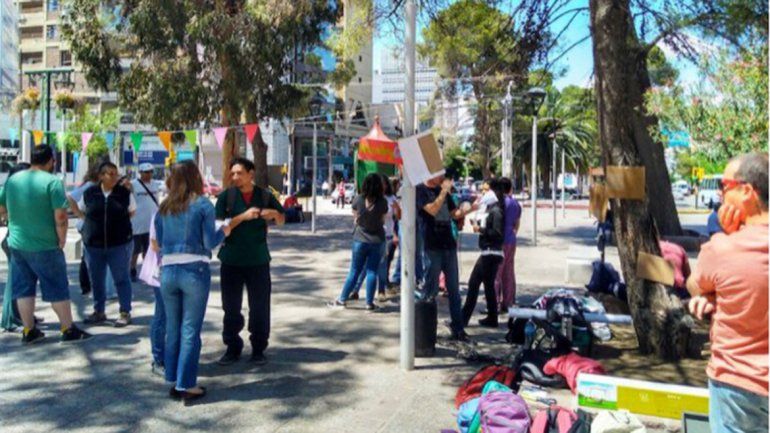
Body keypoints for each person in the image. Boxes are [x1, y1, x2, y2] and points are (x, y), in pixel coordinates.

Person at [686, 152, 768, 433]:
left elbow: (694, 284)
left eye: (725, 186)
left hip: (736, 383)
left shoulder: (722, 248)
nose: (720, 195)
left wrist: (726, 235)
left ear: (747, 191)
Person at [153, 161, 231, 404]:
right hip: (194, 269)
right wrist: (225, 231)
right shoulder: (203, 204)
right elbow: (209, 242)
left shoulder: (164, 207)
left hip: (167, 270)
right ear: (194, 177)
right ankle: (186, 384)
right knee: (190, 329)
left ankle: (173, 377)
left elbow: (159, 241)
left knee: (173, 327)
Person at [0, 145, 91, 343]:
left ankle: (28, 330)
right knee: (57, 287)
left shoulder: (13, 180)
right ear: (51, 161)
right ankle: (67, 329)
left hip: (17, 244)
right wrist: (62, 238)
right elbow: (60, 216)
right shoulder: (53, 182)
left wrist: (13, 219)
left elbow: (1, 208)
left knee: (23, 289)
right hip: (45, 245)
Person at [216, 157, 285, 366]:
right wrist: (242, 217)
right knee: (230, 307)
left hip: (258, 261)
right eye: (232, 173)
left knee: (260, 307)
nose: (235, 177)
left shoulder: (264, 195)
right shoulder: (226, 197)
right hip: (231, 261)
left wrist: (273, 213)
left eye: (239, 173)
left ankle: (258, 348)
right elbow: (218, 228)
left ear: (251, 174)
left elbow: (281, 220)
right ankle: (232, 347)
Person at [417, 173, 474, 341]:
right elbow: (432, 209)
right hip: (432, 246)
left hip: (448, 244)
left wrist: (470, 209)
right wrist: (443, 192)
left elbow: (453, 213)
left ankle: (458, 328)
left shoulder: (444, 192)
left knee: (454, 290)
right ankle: (426, 329)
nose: (443, 178)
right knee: (430, 290)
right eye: (440, 175)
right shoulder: (420, 191)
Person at [79, 161, 136, 327]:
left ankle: (125, 311)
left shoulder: (124, 193)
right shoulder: (90, 193)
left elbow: (132, 212)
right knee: (97, 279)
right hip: (94, 245)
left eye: (115, 174)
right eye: (109, 174)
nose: (113, 177)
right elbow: (81, 208)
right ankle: (99, 311)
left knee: (121, 278)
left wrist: (119, 226)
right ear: (100, 176)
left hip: (118, 244)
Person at [328, 173, 389, 310]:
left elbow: (355, 218)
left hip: (360, 239)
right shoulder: (383, 202)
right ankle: (369, 303)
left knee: (354, 271)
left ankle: (342, 300)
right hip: (377, 240)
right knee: (372, 272)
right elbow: (382, 220)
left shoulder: (358, 199)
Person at [462, 179, 506, 328]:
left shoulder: (496, 210)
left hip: (490, 254)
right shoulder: (491, 209)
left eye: (486, 190)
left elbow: (497, 233)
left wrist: (480, 230)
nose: (483, 193)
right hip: (490, 252)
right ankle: (492, 318)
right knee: (488, 286)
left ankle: (462, 319)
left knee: (473, 284)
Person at [1, 163, 31, 331]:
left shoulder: (15, 190)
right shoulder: (9, 190)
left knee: (24, 281)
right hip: (14, 240)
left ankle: (23, 314)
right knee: (15, 281)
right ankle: (10, 319)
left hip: (20, 240)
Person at [140, 211, 165, 376]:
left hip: (176, 270)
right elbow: (154, 244)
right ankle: (158, 359)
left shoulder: (190, 209)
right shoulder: (161, 212)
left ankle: (171, 357)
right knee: (162, 316)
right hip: (161, 271)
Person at [130, 162, 164, 282]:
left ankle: (148, 271)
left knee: (149, 249)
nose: (149, 174)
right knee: (135, 251)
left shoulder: (155, 184)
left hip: (152, 224)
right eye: (146, 172)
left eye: (150, 172)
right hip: (137, 224)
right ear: (140, 173)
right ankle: (132, 269)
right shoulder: (133, 185)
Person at [494, 177, 521, 311]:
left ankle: (495, 303)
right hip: (511, 240)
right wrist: (513, 233)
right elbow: (517, 223)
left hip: (499, 241)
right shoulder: (515, 204)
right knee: (509, 272)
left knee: (496, 273)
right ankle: (508, 302)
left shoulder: (498, 202)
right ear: (510, 188)